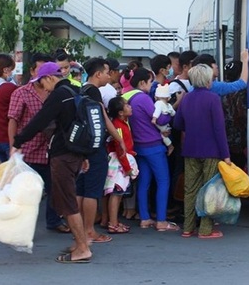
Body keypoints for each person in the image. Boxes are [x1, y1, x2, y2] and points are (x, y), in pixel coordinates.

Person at [12, 62, 93, 263]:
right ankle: (80, 242)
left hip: (63, 155)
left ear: (49, 78)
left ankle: (83, 248)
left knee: (67, 203)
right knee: (68, 199)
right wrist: (86, 156)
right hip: (76, 153)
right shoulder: (76, 90)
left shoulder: (58, 95)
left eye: (42, 82)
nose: (42, 87)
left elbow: (39, 121)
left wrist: (18, 141)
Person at [8, 53, 71, 234]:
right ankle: (21, 225)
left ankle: (53, 220)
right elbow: (13, 120)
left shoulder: (57, 93)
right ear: (33, 71)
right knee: (26, 192)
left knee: (54, 189)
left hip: (52, 150)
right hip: (29, 151)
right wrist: (13, 144)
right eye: (39, 69)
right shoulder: (21, 93)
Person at [172, 64, 232, 239]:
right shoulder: (213, 99)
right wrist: (226, 155)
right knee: (209, 189)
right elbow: (219, 129)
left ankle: (187, 228)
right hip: (211, 151)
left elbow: (177, 124)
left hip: (190, 149)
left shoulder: (187, 98)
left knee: (190, 189)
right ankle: (205, 229)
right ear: (207, 80)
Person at [76, 57, 127, 244]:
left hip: (81, 146)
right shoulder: (94, 93)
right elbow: (104, 119)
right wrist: (119, 138)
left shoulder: (81, 89)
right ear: (98, 74)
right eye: (106, 72)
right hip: (95, 146)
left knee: (81, 188)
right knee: (92, 190)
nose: (109, 75)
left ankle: (80, 227)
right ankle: (90, 230)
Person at [125, 68, 179, 232]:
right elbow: (160, 118)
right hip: (154, 146)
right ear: (142, 83)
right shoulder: (143, 98)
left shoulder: (131, 98)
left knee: (144, 183)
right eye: (150, 82)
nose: (152, 85)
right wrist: (170, 112)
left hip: (139, 146)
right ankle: (161, 221)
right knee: (163, 181)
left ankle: (145, 218)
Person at [104, 96, 136, 233]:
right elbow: (119, 148)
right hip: (119, 164)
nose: (130, 106)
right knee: (117, 193)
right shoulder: (118, 126)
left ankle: (111, 220)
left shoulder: (123, 122)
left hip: (120, 162)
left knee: (115, 193)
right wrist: (127, 168)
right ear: (120, 112)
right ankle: (113, 224)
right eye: (127, 105)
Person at [152, 84, 175, 154]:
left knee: (162, 135)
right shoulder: (169, 105)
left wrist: (154, 118)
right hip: (167, 125)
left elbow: (157, 111)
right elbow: (173, 113)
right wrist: (169, 112)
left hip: (161, 126)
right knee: (165, 135)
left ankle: (170, 146)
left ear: (156, 97)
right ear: (168, 98)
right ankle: (170, 146)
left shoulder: (158, 103)